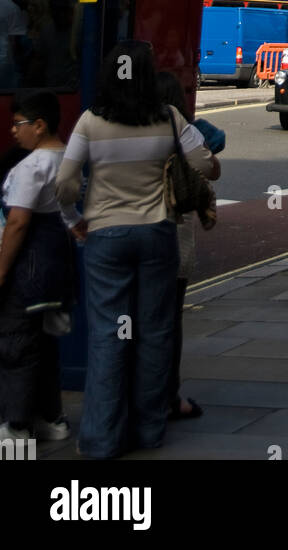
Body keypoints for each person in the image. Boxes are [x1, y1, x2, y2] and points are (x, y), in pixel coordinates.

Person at [56, 41, 219, 459]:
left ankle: (100, 438)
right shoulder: (167, 118)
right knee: (155, 332)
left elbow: (65, 181)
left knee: (109, 335)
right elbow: (204, 163)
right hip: (156, 234)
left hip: (107, 237)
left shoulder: (91, 121)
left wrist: (74, 218)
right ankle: (148, 431)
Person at [0, 92, 81, 443]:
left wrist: (1, 271)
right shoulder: (68, 158)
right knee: (45, 345)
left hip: (28, 266)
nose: (13, 131)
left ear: (39, 125)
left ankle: (17, 427)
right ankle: (52, 418)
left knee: (16, 343)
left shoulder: (30, 167)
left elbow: (17, 222)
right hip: (56, 264)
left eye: (18, 124)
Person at [155, 71, 224, 420]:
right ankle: (168, 395)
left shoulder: (120, 121)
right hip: (171, 232)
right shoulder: (179, 125)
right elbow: (210, 169)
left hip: (121, 235)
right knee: (168, 323)